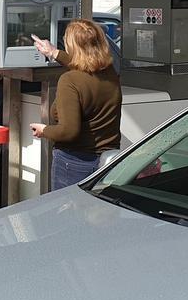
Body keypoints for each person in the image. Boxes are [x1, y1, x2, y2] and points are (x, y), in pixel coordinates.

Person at [30, 19, 122, 190]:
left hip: (74, 163)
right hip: (107, 161)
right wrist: (53, 52)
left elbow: (69, 131)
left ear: (72, 46)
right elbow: (83, 64)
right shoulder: (109, 72)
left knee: (68, 215)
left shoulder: (70, 81)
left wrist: (45, 130)